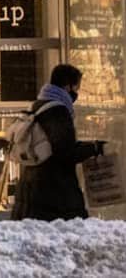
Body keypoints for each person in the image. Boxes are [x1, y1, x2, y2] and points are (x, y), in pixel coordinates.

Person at [13, 64, 108, 221]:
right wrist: (94, 148)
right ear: (67, 86)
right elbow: (65, 152)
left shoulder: (36, 106)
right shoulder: (57, 111)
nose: (76, 93)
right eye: (76, 88)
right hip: (53, 193)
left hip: (30, 187)